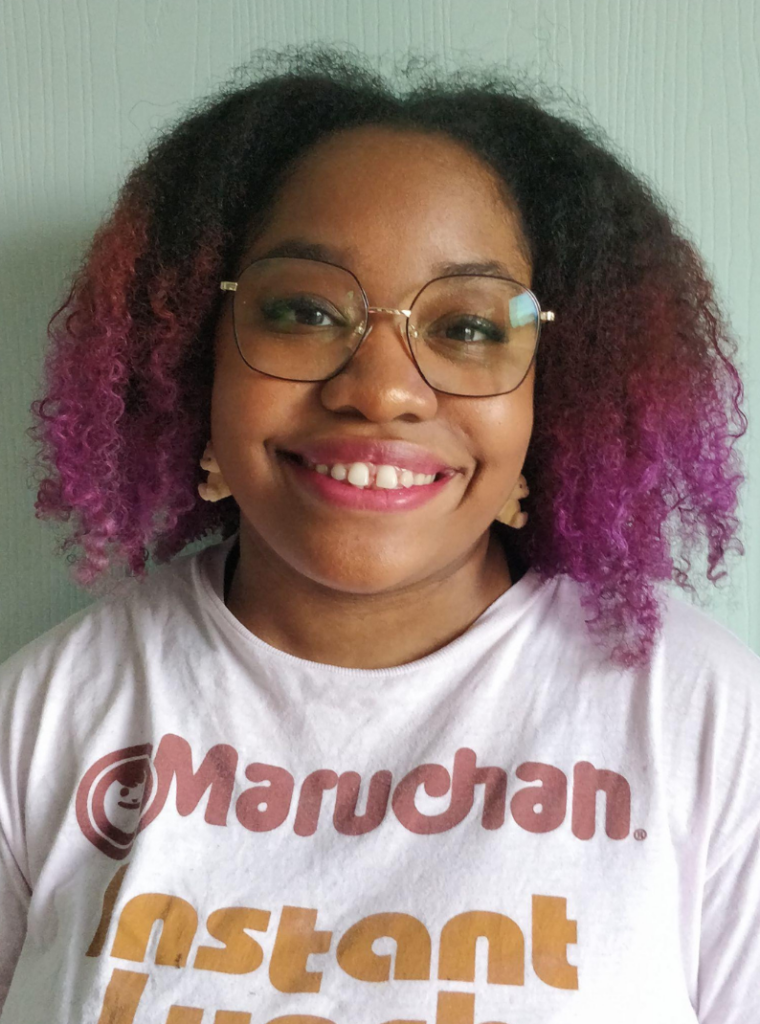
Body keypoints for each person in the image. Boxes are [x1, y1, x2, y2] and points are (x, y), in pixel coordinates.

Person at [0, 45, 757, 1024]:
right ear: (195, 352)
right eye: (306, 310)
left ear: (558, 386)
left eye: (471, 327)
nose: (383, 387)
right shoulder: (44, 718)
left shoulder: (705, 722)